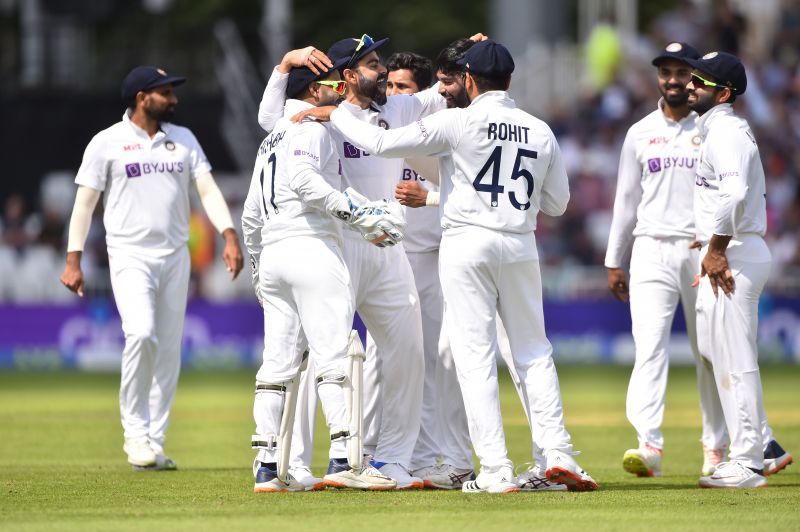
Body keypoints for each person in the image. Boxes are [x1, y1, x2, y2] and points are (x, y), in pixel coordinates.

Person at [297, 40, 599, 493]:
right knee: (535, 352)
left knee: (473, 356)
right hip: (519, 244)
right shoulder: (539, 129)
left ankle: (495, 469)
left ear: (471, 80)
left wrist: (335, 111)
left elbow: (380, 142)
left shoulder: (457, 121)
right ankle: (557, 455)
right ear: (511, 81)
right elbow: (557, 203)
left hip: (466, 243)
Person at [258, 34, 450, 489]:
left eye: (380, 62)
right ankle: (298, 462)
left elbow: (444, 90)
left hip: (385, 245)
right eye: (371, 64)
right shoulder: (314, 116)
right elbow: (270, 117)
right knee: (315, 358)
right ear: (346, 76)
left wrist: (468, 52)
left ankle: (392, 459)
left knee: (406, 350)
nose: (382, 71)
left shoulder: (396, 109)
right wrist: (285, 64)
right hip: (335, 243)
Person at [59, 66, 244, 470]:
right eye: (166, 92)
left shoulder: (184, 139)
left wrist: (229, 235)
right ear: (143, 98)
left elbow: (208, 190)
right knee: (141, 334)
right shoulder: (106, 143)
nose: (174, 99)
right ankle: (135, 435)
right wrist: (73, 259)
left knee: (168, 351)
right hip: (129, 254)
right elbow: (84, 205)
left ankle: (154, 443)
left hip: (175, 256)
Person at [241, 60, 403, 492]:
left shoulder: (269, 141)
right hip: (311, 246)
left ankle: (267, 466)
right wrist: (360, 216)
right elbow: (305, 183)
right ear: (314, 91)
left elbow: (250, 216)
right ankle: (345, 459)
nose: (340, 88)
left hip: (275, 253)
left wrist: (259, 269)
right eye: (333, 83)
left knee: (277, 363)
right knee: (333, 356)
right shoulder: (310, 130)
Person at [604, 42, 728, 478]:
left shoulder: (713, 128)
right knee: (649, 348)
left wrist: (722, 249)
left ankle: (716, 448)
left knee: (709, 351)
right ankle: (649, 445)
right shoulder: (640, 132)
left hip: (700, 253)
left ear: (695, 78)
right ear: (658, 78)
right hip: (650, 247)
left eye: (681, 73)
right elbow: (625, 199)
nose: (673, 80)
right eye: (665, 72)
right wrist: (614, 260)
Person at [685, 51, 792, 488]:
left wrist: (715, 249)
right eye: (692, 78)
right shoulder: (717, 129)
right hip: (732, 249)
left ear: (724, 93)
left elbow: (733, 195)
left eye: (700, 81)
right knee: (716, 353)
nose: (690, 85)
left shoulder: (726, 132)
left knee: (735, 358)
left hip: (736, 255)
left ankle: (747, 460)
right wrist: (709, 239)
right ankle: (759, 448)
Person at [382, 50, 475, 489]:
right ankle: (372, 452)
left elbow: (462, 184)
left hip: (435, 257)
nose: (394, 93)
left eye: (402, 87)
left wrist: (430, 197)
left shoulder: (440, 122)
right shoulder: (380, 122)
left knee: (437, 364)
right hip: (390, 258)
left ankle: (426, 456)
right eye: (390, 86)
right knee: (384, 362)